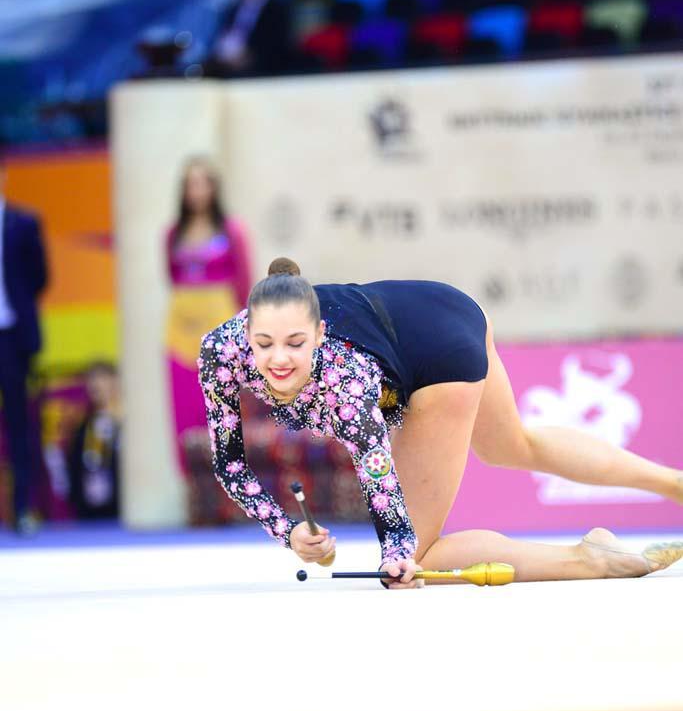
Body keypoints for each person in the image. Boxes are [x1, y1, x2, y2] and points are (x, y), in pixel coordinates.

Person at [198, 259, 683, 589]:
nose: (279, 359)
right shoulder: (219, 354)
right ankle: (673, 483)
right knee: (512, 444)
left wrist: (398, 553)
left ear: (320, 334)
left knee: (422, 556)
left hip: (435, 355)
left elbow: (378, 475)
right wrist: (288, 531)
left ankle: (590, 558)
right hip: (446, 308)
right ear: (244, 332)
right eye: (263, 344)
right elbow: (230, 464)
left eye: (295, 344)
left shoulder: (345, 378)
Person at [166, 157, 252, 477]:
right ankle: (196, 492)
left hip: (221, 335)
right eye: (190, 183)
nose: (196, 190)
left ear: (214, 188)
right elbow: (172, 277)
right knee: (185, 412)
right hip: (179, 334)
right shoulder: (173, 234)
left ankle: (233, 486)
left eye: (202, 182)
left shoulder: (232, 231)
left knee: (222, 410)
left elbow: (243, 284)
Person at [0, 155, 48, 535]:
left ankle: (22, 510)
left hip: (12, 338)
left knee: (20, 425)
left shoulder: (23, 222)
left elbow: (39, 278)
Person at [203, 0, 291, 77]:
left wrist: (249, 57)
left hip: (258, 69)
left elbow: (278, 44)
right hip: (223, 64)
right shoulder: (232, 9)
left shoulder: (278, 8)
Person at [67, 361, 121, 520]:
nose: (95, 384)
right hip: (89, 514)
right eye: (91, 379)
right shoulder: (85, 424)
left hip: (121, 513)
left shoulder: (128, 425)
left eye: (101, 378)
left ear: (116, 381)